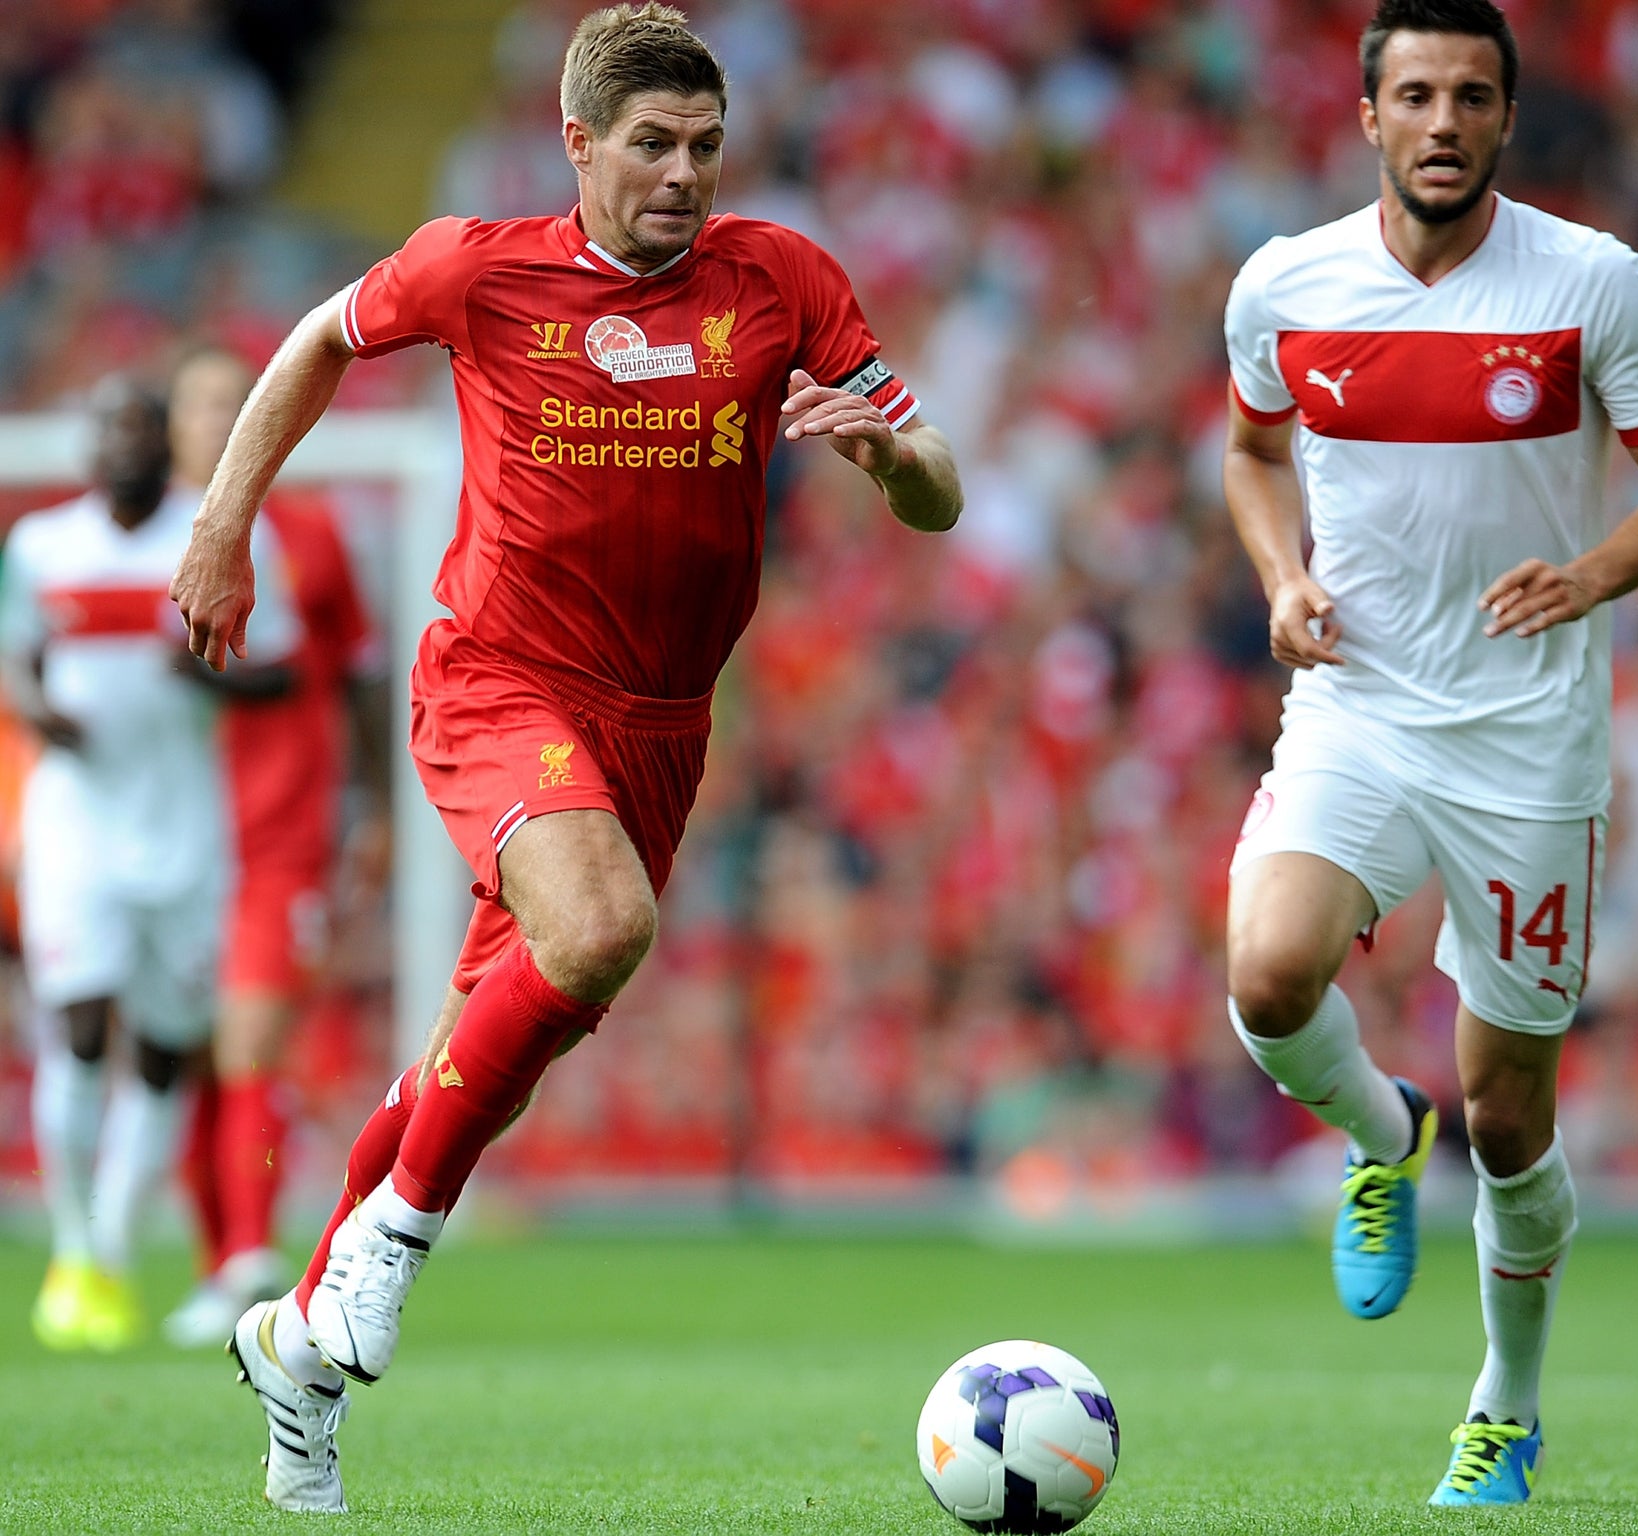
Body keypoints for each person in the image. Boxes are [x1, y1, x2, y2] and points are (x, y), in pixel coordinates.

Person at [170, 2, 961, 1513]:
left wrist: (889, 453)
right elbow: (311, 342)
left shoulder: (785, 279)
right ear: (579, 143)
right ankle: (392, 1248)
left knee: (485, 1043)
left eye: (706, 147)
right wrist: (222, 527)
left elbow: (941, 495)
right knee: (599, 930)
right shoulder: (482, 265)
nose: (684, 175)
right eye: (652, 145)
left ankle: (301, 1355)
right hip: (500, 680)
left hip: (663, 725)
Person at [1221, 0, 1638, 1507]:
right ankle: (1382, 1138)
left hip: (1525, 745)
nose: (1445, 123)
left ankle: (1506, 1400)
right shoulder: (1286, 285)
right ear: (1368, 114)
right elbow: (1252, 453)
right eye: (1418, 96)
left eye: (1474, 98)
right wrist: (1279, 581)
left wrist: (1594, 573)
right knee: (1265, 977)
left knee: (1512, 1116)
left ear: (1508, 119)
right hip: (1360, 705)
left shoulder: (1589, 284)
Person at [2, 377, 296, 1352]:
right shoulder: (39, 546)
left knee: (168, 1049)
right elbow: (13, 656)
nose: (121, 444)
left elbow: (288, 667)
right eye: (106, 426)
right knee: (81, 1026)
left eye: (138, 427)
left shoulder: (219, 532)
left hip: (184, 829)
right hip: (75, 825)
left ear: (163, 443)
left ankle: (114, 1252)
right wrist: (36, 711)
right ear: (84, 445)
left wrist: (216, 667)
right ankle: (77, 1248)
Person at [162, 345, 387, 1348]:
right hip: (156, 849)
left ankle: (252, 1266)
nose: (217, 420)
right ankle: (217, 1263)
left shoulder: (308, 538)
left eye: (235, 403)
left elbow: (355, 675)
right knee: (189, 1060)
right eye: (201, 404)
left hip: (278, 838)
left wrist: (376, 802)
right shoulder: (120, 543)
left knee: (250, 1041)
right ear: (171, 427)